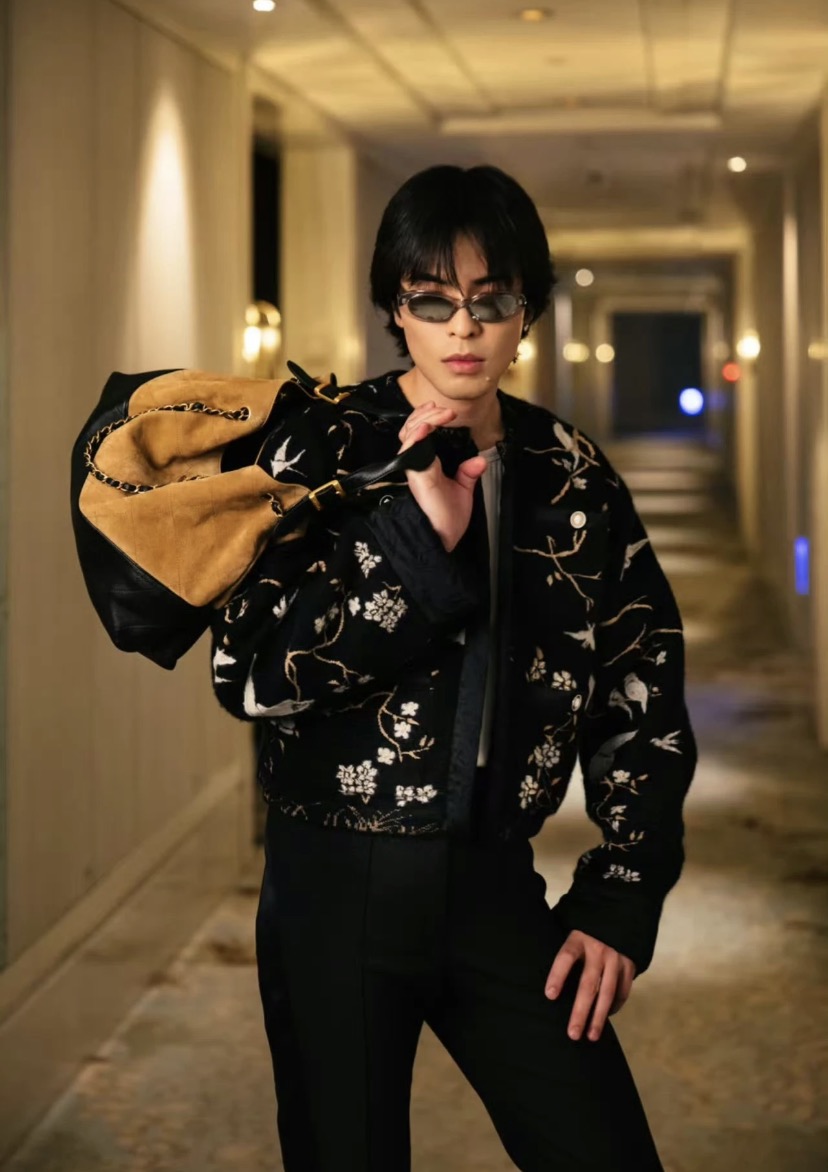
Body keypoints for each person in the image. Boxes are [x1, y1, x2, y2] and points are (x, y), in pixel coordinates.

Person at [210, 164, 696, 1171]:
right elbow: (247, 671)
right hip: (331, 884)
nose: (463, 327)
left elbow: (641, 682)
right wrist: (419, 550)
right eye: (433, 300)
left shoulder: (572, 474)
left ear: (527, 314)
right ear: (397, 309)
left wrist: (623, 888)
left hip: (493, 881)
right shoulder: (322, 452)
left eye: (491, 299)